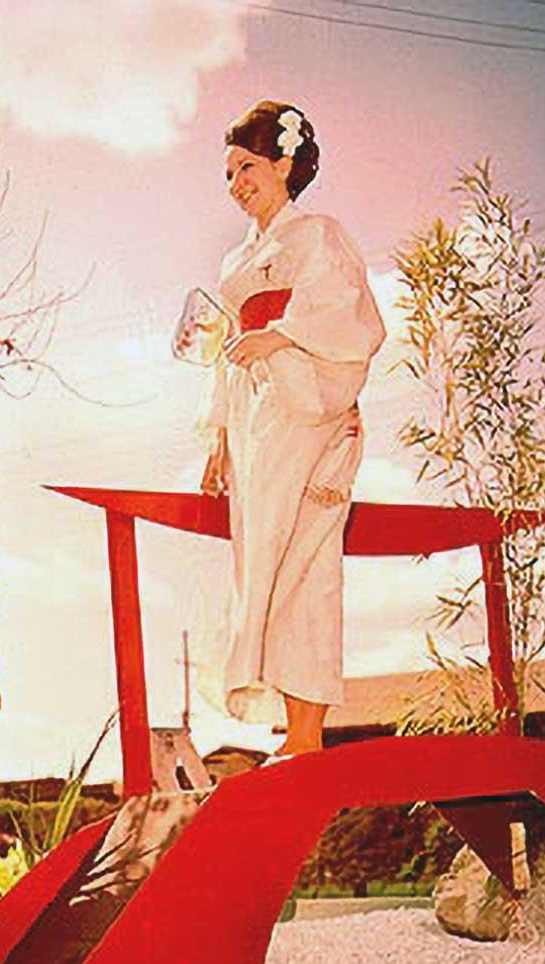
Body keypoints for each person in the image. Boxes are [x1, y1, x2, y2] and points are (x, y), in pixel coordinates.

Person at [192, 100, 386, 756]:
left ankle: (308, 730)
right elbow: (226, 350)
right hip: (256, 422)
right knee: (261, 561)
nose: (236, 183)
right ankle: (289, 727)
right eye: (228, 174)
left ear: (283, 162)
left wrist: (278, 336)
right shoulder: (234, 263)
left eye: (247, 166)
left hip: (310, 410)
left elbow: (350, 319)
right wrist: (219, 438)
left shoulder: (318, 235)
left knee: (306, 560)